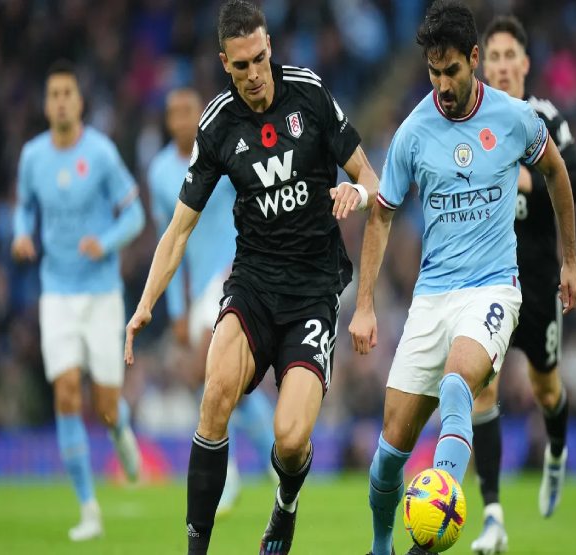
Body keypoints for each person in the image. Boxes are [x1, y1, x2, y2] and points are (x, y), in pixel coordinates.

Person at [123, 2, 379, 554]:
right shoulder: (218, 125)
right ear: (225, 64)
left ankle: (285, 506)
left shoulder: (308, 94)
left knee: (290, 440)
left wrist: (352, 193)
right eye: (241, 66)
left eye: (261, 59)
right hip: (253, 286)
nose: (255, 73)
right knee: (214, 395)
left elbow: (371, 180)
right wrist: (145, 304)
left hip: (313, 294)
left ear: (270, 49)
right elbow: (177, 230)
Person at [347, 2, 576, 554]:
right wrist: (363, 305)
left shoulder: (513, 118)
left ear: (474, 59)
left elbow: (556, 171)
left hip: (494, 290)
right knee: (388, 456)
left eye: (451, 69)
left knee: (459, 386)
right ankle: (382, 549)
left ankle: (431, 538)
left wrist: (570, 260)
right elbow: (381, 213)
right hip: (431, 298)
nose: (442, 83)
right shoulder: (412, 131)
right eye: (433, 72)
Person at [469, 16, 576, 554]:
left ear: (523, 64)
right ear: (483, 62)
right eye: (491, 54)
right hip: (489, 280)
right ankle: (493, 515)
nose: (499, 64)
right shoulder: (469, 121)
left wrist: (527, 176)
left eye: (507, 55)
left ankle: (557, 451)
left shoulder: (544, 117)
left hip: (540, 285)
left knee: (546, 389)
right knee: (483, 389)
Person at [11, 60, 145, 541]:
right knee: (67, 391)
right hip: (57, 293)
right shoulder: (33, 157)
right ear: (47, 105)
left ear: (79, 102)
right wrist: (22, 233)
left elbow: (134, 214)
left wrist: (104, 242)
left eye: (69, 92)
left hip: (101, 293)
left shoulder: (102, 153)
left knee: (105, 405)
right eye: (54, 94)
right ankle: (89, 509)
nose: (62, 101)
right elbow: (24, 207)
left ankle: (121, 430)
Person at [148, 87, 276, 514]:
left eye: (188, 110)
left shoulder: (222, 146)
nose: (181, 119)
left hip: (235, 268)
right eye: (173, 112)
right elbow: (172, 241)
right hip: (199, 282)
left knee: (211, 368)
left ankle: (228, 476)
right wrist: (176, 310)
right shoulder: (159, 173)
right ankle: (275, 459)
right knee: (228, 383)